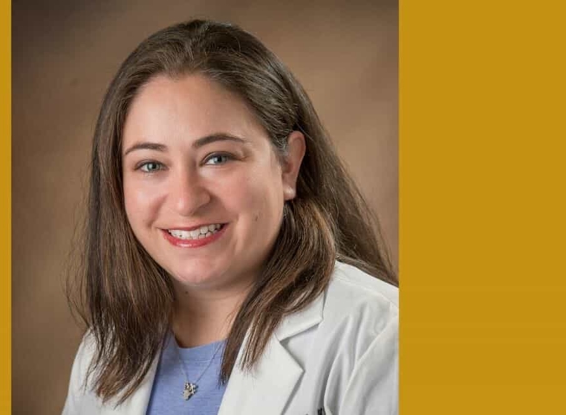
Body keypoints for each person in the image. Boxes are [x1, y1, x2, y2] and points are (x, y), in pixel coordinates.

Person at [62, 19, 398, 415]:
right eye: (151, 165)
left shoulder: (379, 337)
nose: (186, 202)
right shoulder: (103, 352)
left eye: (217, 158)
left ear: (288, 165)